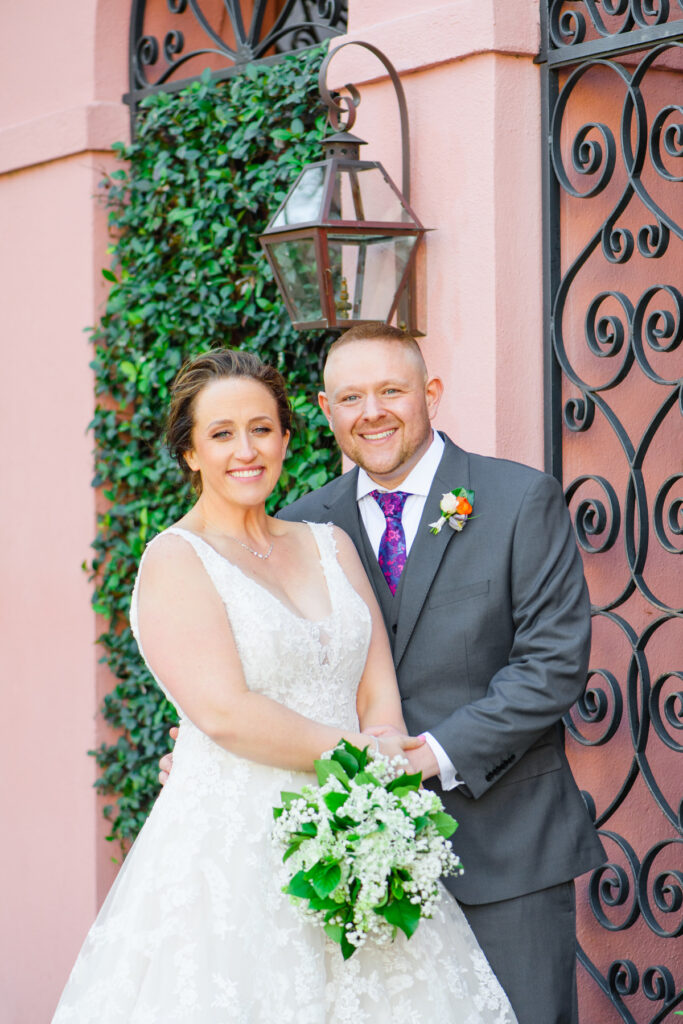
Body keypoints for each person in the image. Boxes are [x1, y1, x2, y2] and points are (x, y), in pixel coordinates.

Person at [52, 348, 518, 1023]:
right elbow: (226, 714)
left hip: (362, 832)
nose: (246, 450)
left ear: (287, 438)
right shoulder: (176, 561)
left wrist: (376, 800)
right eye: (221, 434)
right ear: (189, 453)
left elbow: (375, 689)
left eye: (262, 429)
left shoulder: (329, 544)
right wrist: (369, 760)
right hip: (237, 850)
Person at [275, 324, 607, 1024]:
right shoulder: (302, 527)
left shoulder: (519, 499)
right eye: (350, 396)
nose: (372, 412)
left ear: (430, 393)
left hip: (506, 850)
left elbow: (550, 667)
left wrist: (427, 756)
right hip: (357, 867)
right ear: (324, 408)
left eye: (391, 390)